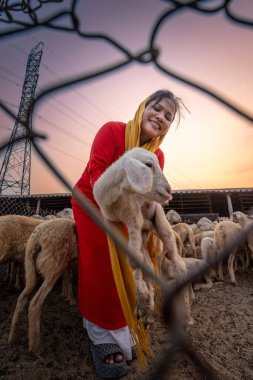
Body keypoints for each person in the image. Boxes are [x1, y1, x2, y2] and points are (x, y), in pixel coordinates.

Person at [71, 89, 185, 379]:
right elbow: (97, 173)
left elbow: (149, 194)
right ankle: (99, 334)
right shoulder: (112, 132)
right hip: (92, 202)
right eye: (156, 109)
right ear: (143, 107)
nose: (160, 117)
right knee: (101, 259)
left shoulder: (157, 155)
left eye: (168, 116)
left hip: (129, 210)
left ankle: (123, 329)